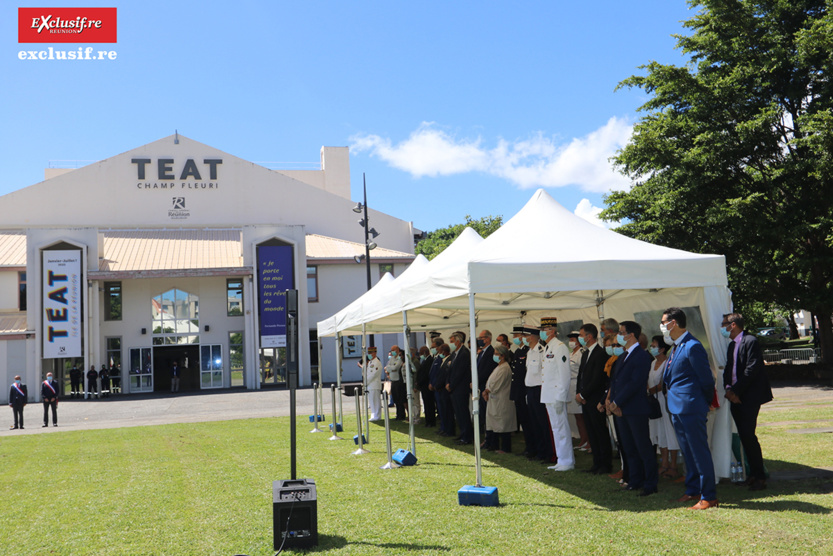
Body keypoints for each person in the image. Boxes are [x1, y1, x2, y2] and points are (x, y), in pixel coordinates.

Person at [662, 307, 718, 509]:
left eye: (664, 323)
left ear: (673, 323)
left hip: (691, 407)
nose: (662, 327)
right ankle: (693, 489)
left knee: (699, 452)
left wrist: (704, 402)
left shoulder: (692, 346)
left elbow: (706, 379)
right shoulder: (677, 346)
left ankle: (709, 496)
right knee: (688, 452)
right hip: (677, 407)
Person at [722, 312, 773, 491]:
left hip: (749, 396)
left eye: (724, 324)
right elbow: (729, 369)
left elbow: (752, 369)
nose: (722, 328)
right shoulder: (731, 345)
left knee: (749, 436)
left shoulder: (750, 341)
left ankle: (760, 476)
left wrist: (736, 391)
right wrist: (728, 389)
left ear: (733, 325)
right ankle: (752, 474)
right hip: (735, 396)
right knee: (744, 436)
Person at [608, 321, 658, 496]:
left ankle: (650, 483)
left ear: (631, 335)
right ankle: (635, 480)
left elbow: (635, 383)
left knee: (642, 446)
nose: (619, 336)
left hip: (635, 408)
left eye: (621, 332)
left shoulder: (641, 356)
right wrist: (612, 402)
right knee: (628, 447)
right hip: (621, 408)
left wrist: (617, 402)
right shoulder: (623, 355)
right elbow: (616, 381)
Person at [576, 323, 612, 474]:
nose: (579, 338)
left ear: (589, 336)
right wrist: (579, 394)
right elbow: (581, 376)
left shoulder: (600, 353)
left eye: (581, 335)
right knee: (591, 432)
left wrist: (583, 394)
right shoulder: (585, 353)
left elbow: (597, 379)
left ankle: (605, 464)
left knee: (600, 432)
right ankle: (596, 463)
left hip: (595, 399)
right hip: (586, 399)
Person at [539, 317, 574, 471]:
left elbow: (564, 374)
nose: (541, 333)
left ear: (552, 331)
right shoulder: (548, 347)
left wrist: (561, 396)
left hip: (556, 395)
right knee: (555, 428)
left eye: (544, 330)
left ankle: (567, 461)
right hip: (549, 394)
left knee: (561, 427)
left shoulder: (560, 347)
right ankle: (561, 459)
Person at [647, 335, 679, 479]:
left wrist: (651, 390)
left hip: (665, 401)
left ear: (662, 349)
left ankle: (674, 465)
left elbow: (665, 383)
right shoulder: (653, 363)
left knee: (670, 431)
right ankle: (664, 463)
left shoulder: (667, 363)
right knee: (660, 433)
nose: (651, 347)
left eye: (654, 345)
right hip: (654, 402)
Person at [524, 326, 553, 462]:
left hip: (539, 389)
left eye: (526, 336)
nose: (524, 338)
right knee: (534, 422)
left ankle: (548, 452)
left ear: (532, 336)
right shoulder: (530, 352)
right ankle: (539, 451)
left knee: (543, 423)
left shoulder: (542, 351)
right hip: (530, 389)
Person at [483, 345, 517, 453]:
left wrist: (487, 391)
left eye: (496, 354)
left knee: (503, 425)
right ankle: (493, 444)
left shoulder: (505, 368)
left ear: (502, 356)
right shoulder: (498, 367)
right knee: (493, 423)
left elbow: (496, 385)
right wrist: (486, 390)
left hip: (502, 400)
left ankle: (505, 448)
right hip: (493, 399)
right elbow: (490, 381)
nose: (494, 356)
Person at [447, 331, 472, 445]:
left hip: (461, 388)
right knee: (458, 413)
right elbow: (450, 370)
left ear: (458, 341)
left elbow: (460, 372)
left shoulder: (464, 353)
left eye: (452, 341)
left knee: (463, 412)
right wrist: (448, 383)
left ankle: (467, 436)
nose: (451, 343)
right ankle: (462, 433)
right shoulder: (454, 354)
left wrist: (451, 385)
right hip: (454, 388)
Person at [567, 331, 590, 451]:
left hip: (577, 384)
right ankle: (583, 440)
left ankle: (588, 441)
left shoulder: (581, 353)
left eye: (573, 340)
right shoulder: (570, 354)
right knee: (577, 416)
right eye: (570, 340)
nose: (570, 342)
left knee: (583, 416)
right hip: (570, 386)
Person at [509, 326, 531, 454]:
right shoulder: (518, 352)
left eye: (516, 335)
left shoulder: (528, 351)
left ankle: (531, 447)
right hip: (518, 391)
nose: (514, 338)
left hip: (524, 391)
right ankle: (528, 446)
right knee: (523, 420)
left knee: (528, 421)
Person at [476, 330, 497, 437]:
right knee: (482, 412)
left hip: (486, 387)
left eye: (481, 338)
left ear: (488, 339)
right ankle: (483, 433)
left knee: (486, 413)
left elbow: (487, 371)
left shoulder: (491, 352)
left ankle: (489, 435)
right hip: (480, 386)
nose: (479, 340)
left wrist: (476, 381)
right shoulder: (482, 353)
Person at [436, 343, 456, 437]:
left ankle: (449, 430)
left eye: (440, 351)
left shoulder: (449, 359)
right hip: (441, 389)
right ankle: (445, 428)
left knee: (448, 411)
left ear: (444, 351)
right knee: (444, 411)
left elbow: (445, 375)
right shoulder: (443, 360)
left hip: (445, 389)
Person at [416, 345, 436, 427]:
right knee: (426, 404)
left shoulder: (430, 360)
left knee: (429, 404)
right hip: (423, 386)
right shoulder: (425, 361)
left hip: (426, 385)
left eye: (421, 353)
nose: (420, 355)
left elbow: (426, 374)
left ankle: (431, 421)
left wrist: (419, 382)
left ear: (424, 352)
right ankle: (428, 421)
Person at [385, 346, 406, 420]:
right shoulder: (392, 359)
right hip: (393, 380)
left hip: (398, 381)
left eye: (393, 350)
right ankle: (398, 414)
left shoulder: (399, 359)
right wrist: (391, 368)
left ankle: (401, 414)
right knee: (395, 399)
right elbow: (387, 367)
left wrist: (391, 368)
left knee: (400, 399)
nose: (392, 352)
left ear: (397, 350)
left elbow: (395, 367)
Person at [363, 346, 383, 421]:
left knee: (375, 401)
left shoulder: (376, 362)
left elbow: (373, 375)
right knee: (372, 401)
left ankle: (377, 416)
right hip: (370, 385)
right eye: (368, 353)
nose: (369, 354)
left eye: (371, 352)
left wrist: (366, 382)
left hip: (374, 384)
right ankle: (373, 415)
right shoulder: (371, 362)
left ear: (375, 353)